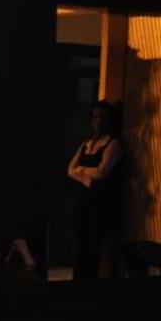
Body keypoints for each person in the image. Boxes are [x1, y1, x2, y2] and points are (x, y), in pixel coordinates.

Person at [66, 100, 125, 281]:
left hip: (98, 202)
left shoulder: (113, 144)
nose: (98, 121)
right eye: (95, 117)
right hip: (80, 199)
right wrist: (85, 177)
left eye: (102, 117)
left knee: (93, 245)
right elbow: (70, 170)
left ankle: (89, 283)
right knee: (78, 243)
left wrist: (81, 170)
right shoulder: (86, 144)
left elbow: (101, 172)